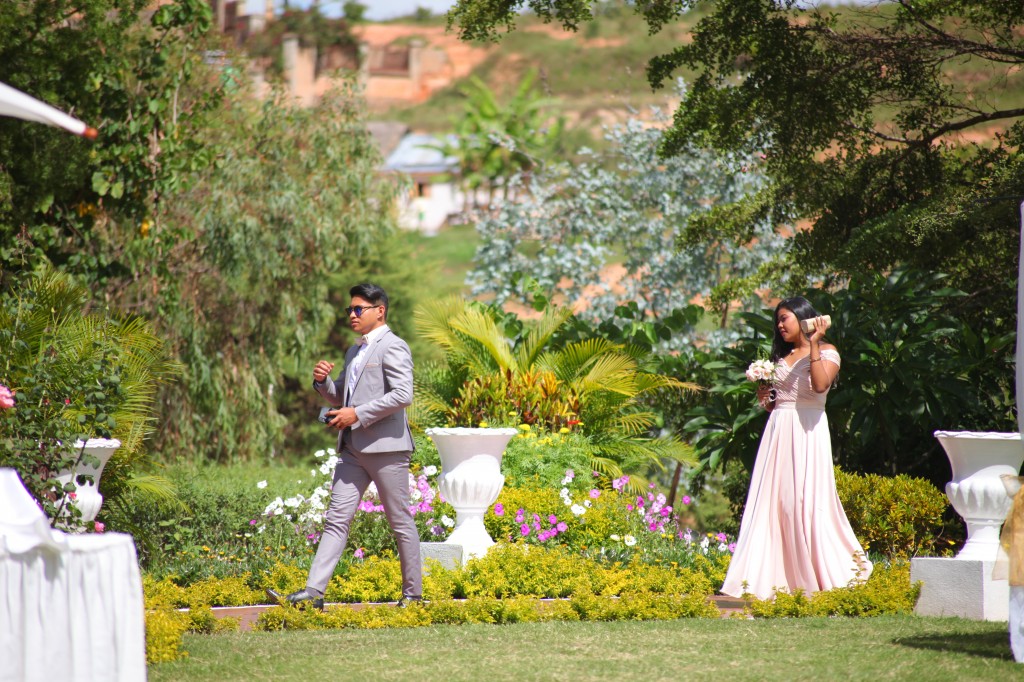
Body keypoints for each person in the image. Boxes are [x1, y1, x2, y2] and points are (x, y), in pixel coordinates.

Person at [267, 283, 422, 610]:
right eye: (349, 310)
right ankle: (314, 594)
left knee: (399, 521)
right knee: (336, 519)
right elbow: (343, 399)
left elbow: (402, 395)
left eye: (358, 309)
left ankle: (413, 595)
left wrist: (357, 414)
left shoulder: (393, 346)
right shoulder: (354, 351)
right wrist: (324, 384)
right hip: (352, 448)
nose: (351, 314)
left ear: (379, 311)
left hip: (387, 450)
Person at [720, 296, 871, 600]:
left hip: (807, 431)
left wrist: (814, 343)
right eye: (777, 320)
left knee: (802, 501)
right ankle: (770, 576)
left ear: (803, 318)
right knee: (775, 503)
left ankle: (816, 572)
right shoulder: (782, 357)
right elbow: (774, 404)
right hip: (778, 433)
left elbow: (818, 386)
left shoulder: (828, 352)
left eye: (784, 318)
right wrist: (764, 394)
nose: (779, 325)